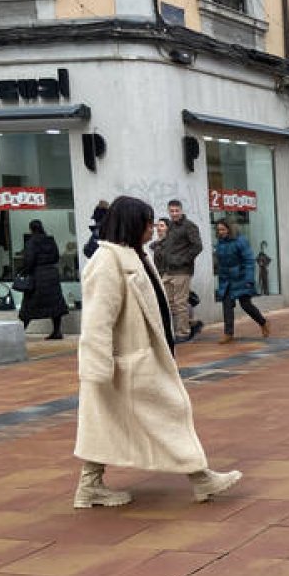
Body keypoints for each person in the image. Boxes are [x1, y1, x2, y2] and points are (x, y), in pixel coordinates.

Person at [73, 195, 241, 508]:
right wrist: (98, 367)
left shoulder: (134, 256)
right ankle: (201, 478)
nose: (153, 228)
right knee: (171, 413)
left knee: (108, 423)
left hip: (139, 359)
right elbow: (97, 320)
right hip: (128, 362)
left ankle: (89, 485)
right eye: (148, 223)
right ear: (132, 224)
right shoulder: (108, 261)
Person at [213, 220, 270, 344]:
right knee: (227, 305)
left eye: (223, 229)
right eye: (218, 230)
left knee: (246, 304)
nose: (220, 232)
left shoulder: (240, 241)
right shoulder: (220, 243)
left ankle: (263, 323)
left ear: (229, 229)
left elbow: (249, 260)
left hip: (241, 277)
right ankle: (228, 333)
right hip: (226, 279)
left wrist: (249, 279)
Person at [18, 220, 69, 340]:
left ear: (31, 229)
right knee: (55, 305)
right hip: (52, 274)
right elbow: (56, 257)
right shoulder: (50, 240)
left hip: (38, 276)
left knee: (29, 305)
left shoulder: (31, 242)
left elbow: (29, 261)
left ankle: (20, 333)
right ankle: (57, 331)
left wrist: (24, 272)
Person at [164, 199, 203, 342]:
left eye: (176, 211)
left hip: (182, 270)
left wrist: (182, 260)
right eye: (172, 211)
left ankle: (183, 333)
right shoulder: (171, 226)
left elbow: (197, 246)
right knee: (168, 302)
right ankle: (193, 324)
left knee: (180, 303)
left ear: (181, 210)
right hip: (168, 270)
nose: (174, 213)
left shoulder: (189, 226)